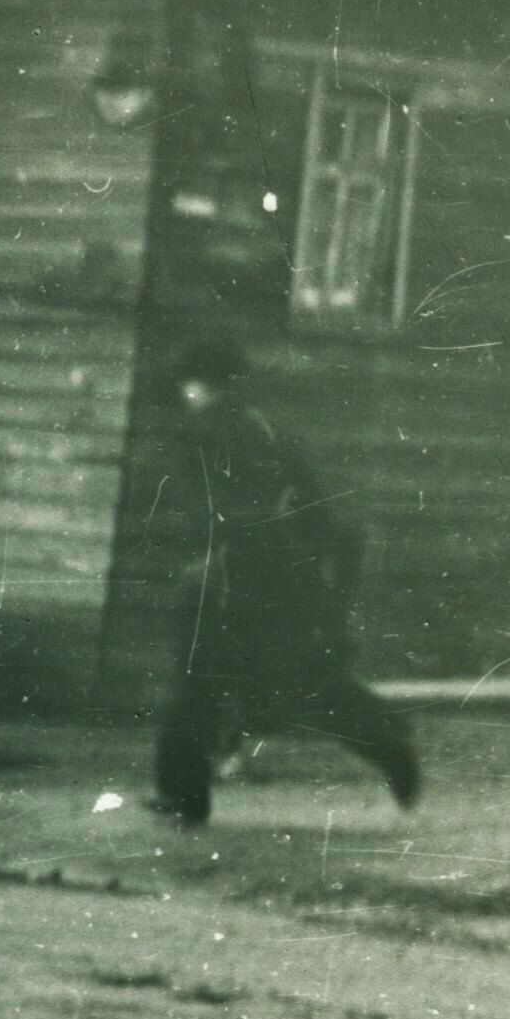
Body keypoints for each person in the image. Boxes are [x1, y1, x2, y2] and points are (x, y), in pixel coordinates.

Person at [150, 337, 419, 827]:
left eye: (193, 385)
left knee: (209, 684)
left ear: (199, 386)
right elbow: (317, 513)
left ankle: (184, 794)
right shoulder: (266, 432)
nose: (191, 394)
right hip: (268, 575)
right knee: (293, 682)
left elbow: (205, 513)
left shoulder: (201, 435)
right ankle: (387, 743)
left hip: (232, 576)